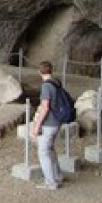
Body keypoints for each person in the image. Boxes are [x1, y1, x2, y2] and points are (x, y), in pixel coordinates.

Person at [32, 60, 63, 190]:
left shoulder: (46, 86)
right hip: (57, 122)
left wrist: (36, 125)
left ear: (40, 72)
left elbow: (45, 107)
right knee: (50, 150)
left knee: (43, 152)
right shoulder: (57, 83)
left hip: (48, 124)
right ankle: (57, 176)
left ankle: (51, 182)